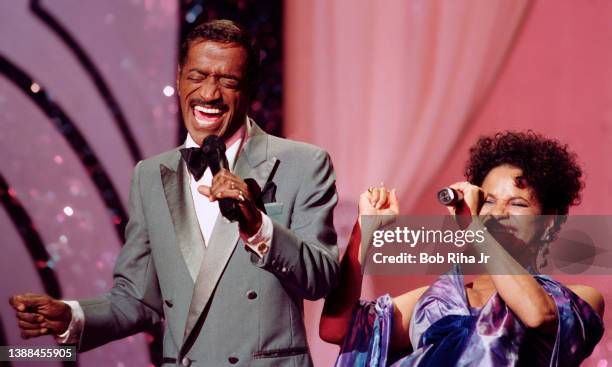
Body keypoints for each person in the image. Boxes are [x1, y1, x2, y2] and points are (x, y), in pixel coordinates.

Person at [9, 20, 339, 366]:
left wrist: (257, 226)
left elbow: (321, 279)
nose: (209, 95)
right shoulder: (149, 175)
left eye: (227, 81)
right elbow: (137, 299)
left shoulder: (303, 163)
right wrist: (71, 316)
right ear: (179, 79)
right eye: (197, 77)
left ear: (251, 89)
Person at [320, 131, 604, 366]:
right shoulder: (437, 300)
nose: (498, 213)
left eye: (517, 203)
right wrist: (364, 228)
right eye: (488, 201)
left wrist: (474, 229)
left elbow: (534, 313)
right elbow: (337, 329)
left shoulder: (577, 300)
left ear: (549, 222)